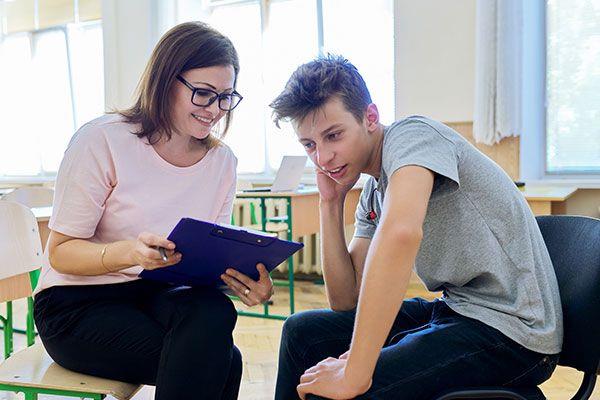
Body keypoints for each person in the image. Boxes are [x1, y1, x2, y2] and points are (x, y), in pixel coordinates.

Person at [269, 55, 563, 400]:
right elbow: (345, 298)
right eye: (310, 145)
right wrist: (330, 204)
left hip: (513, 332)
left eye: (333, 136)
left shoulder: (413, 136)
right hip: (458, 311)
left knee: (347, 391)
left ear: (370, 118)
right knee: (302, 333)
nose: (323, 157)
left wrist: (355, 374)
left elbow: (401, 233)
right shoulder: (375, 190)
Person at [33, 22, 274, 400]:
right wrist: (130, 252)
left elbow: (205, 266)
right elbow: (61, 253)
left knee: (214, 309)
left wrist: (243, 283)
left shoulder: (221, 162)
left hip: (156, 295)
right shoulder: (103, 140)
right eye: (203, 94)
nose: (215, 110)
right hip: (76, 306)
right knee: (226, 361)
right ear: (165, 81)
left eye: (226, 97)